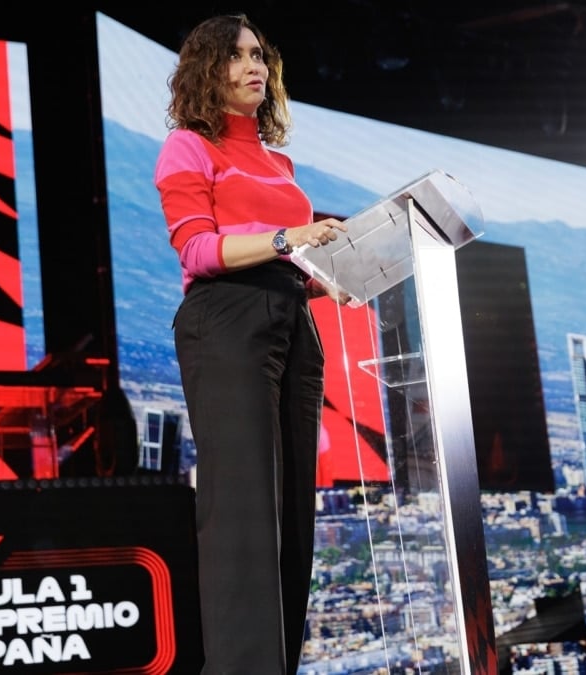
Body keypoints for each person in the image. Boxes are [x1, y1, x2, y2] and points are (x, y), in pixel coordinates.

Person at [154, 13, 349, 674]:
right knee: (243, 518)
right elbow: (199, 249)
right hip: (226, 322)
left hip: (293, 320)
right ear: (209, 70)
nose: (254, 66)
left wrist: (336, 279)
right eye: (237, 56)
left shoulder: (278, 161)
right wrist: (287, 240)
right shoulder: (187, 145)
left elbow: (287, 260)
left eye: (260, 54)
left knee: (291, 517)